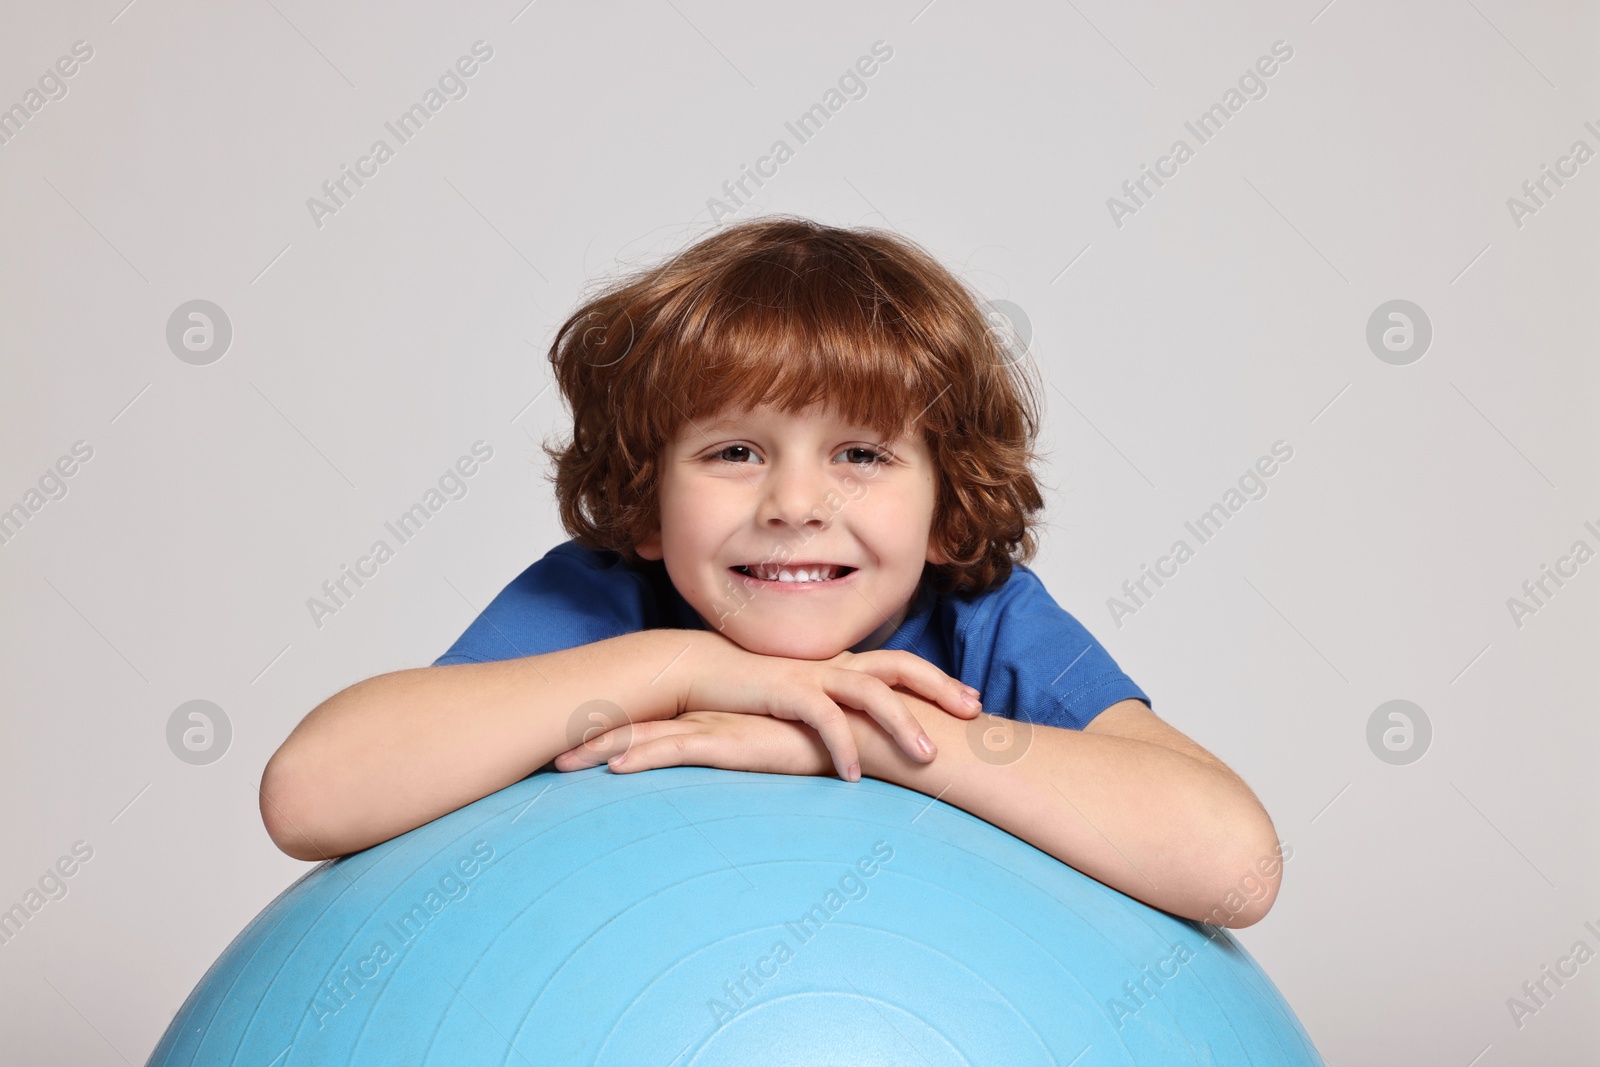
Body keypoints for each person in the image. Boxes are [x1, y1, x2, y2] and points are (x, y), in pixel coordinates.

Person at [259, 216, 1283, 928]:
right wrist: (686, 665)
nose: (795, 504)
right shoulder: (601, 600)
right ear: (649, 500)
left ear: (942, 503)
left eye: (862, 453)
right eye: (734, 451)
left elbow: (1234, 863)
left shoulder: (981, 620)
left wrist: (882, 742)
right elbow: (310, 794)